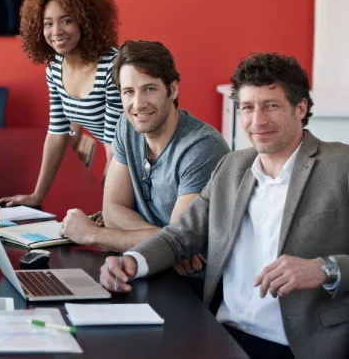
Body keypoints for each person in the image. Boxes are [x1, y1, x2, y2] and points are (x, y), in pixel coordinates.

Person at [100, 53, 349, 359]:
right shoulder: (231, 167)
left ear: (300, 108)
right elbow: (180, 236)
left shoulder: (340, 166)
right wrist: (132, 262)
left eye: (271, 106)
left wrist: (325, 269)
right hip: (221, 332)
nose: (257, 120)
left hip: (299, 345)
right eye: (247, 108)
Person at [59, 41, 230, 278]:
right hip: (146, 266)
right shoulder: (127, 126)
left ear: (173, 90)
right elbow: (113, 209)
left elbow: (180, 241)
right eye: (128, 91)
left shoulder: (202, 147)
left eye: (149, 89)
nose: (138, 104)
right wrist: (166, 242)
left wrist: (92, 234)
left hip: (191, 282)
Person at [0, 0, 123, 207]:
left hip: (147, 171)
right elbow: (57, 133)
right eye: (48, 23)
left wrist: (111, 206)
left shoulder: (112, 67)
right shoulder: (55, 66)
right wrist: (37, 196)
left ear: (86, 21)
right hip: (124, 171)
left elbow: (115, 147)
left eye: (66, 21)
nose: (56, 31)